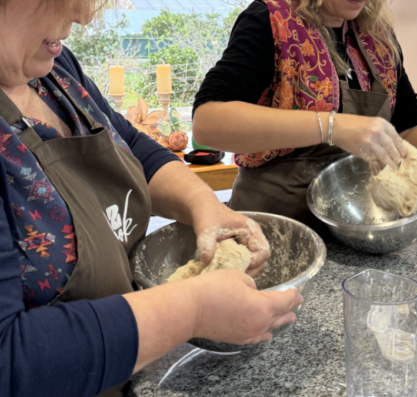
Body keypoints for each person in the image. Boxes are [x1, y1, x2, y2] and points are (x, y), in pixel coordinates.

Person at [0, 1, 303, 396]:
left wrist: (206, 205)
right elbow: (9, 359)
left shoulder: (53, 70)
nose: (83, 16)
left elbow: (135, 148)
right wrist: (190, 311)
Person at [192, 0, 417, 228]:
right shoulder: (270, 20)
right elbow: (208, 123)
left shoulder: (377, 34)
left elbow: (409, 124)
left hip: (358, 224)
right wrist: (332, 126)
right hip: (273, 226)